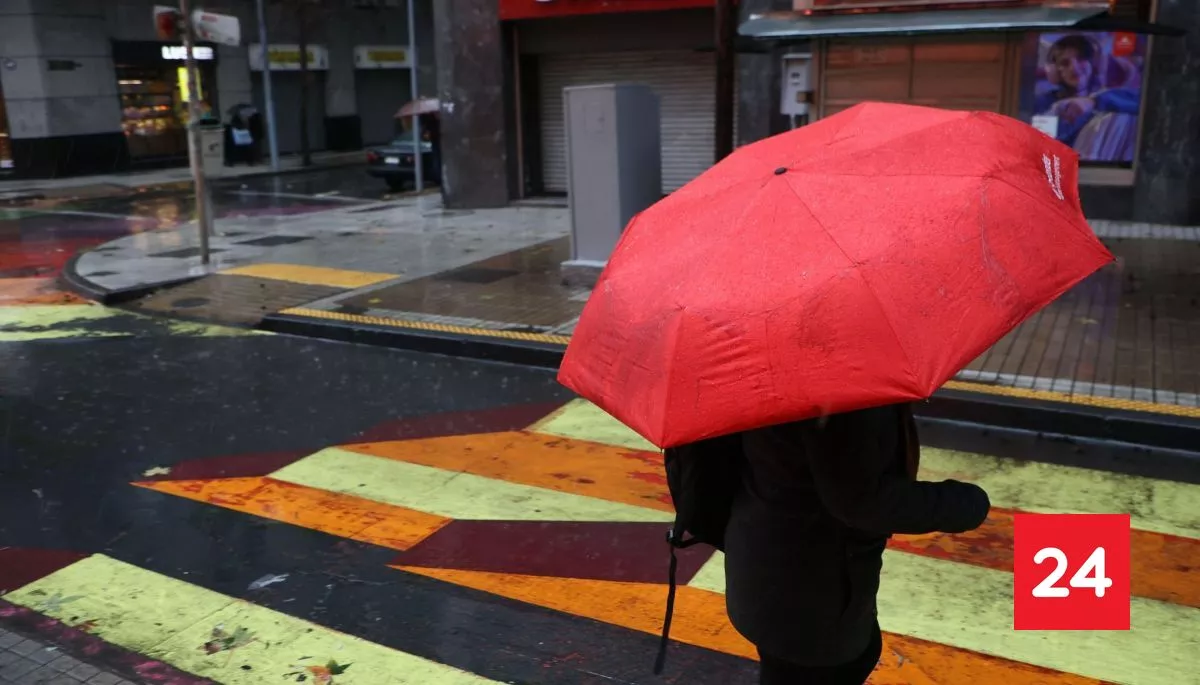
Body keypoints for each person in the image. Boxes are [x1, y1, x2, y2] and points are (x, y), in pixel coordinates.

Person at [724, 402, 991, 684]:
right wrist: (965, 504)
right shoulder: (841, 393)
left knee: (805, 665)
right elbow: (862, 501)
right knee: (825, 667)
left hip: (764, 556)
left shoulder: (774, 372)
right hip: (809, 586)